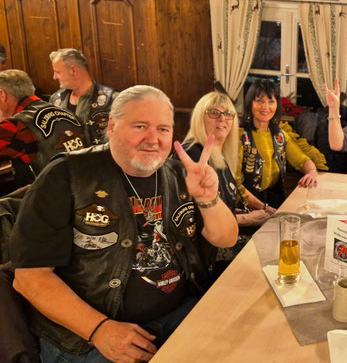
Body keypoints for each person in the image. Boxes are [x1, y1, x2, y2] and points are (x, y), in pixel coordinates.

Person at [10, 85, 238, 363]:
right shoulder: (67, 175)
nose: (153, 139)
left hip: (176, 313)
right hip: (87, 335)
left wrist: (208, 198)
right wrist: (99, 329)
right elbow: (29, 278)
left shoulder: (180, 174)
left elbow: (225, 239)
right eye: (140, 126)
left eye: (163, 129)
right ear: (111, 126)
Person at [182, 91, 273, 277]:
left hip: (223, 239)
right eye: (214, 113)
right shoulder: (193, 156)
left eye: (228, 113)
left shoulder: (219, 155)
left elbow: (225, 202)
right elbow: (195, 219)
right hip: (206, 255)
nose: (222, 118)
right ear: (199, 118)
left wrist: (259, 211)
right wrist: (248, 219)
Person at [0, 69, 85, 195]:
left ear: (2, 95)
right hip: (85, 194)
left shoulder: (16, 126)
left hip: (48, 200)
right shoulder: (72, 116)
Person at [239, 79, 318, 208]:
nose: (265, 107)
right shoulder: (240, 135)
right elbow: (235, 183)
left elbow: (301, 159)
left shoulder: (280, 135)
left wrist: (312, 172)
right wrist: (262, 207)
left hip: (275, 199)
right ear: (249, 103)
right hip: (246, 203)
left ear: (277, 105)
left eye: (271, 101)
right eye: (259, 100)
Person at [49, 48, 116, 145]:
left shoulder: (111, 99)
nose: (54, 77)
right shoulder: (55, 99)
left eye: (58, 72)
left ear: (73, 70)